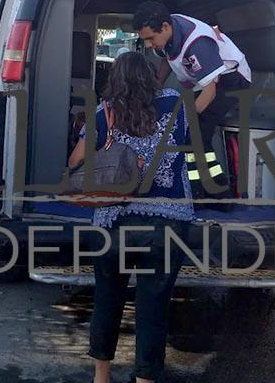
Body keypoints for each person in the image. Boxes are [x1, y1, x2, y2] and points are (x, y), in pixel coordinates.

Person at [68, 51, 194, 383]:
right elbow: (206, 95)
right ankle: (145, 379)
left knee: (108, 298)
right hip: (166, 225)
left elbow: (74, 163)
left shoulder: (103, 113)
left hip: (112, 225)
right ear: (152, 78)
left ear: (115, 80)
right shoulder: (176, 104)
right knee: (153, 307)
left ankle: (101, 376)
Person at [132, 1, 251, 192]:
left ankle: (218, 192)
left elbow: (210, 91)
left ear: (165, 27)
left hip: (231, 80)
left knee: (195, 132)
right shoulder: (167, 32)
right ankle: (193, 185)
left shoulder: (197, 44)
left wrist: (186, 119)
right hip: (203, 82)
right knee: (186, 131)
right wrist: (155, 87)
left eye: (151, 39)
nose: (148, 45)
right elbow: (166, 57)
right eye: (144, 39)